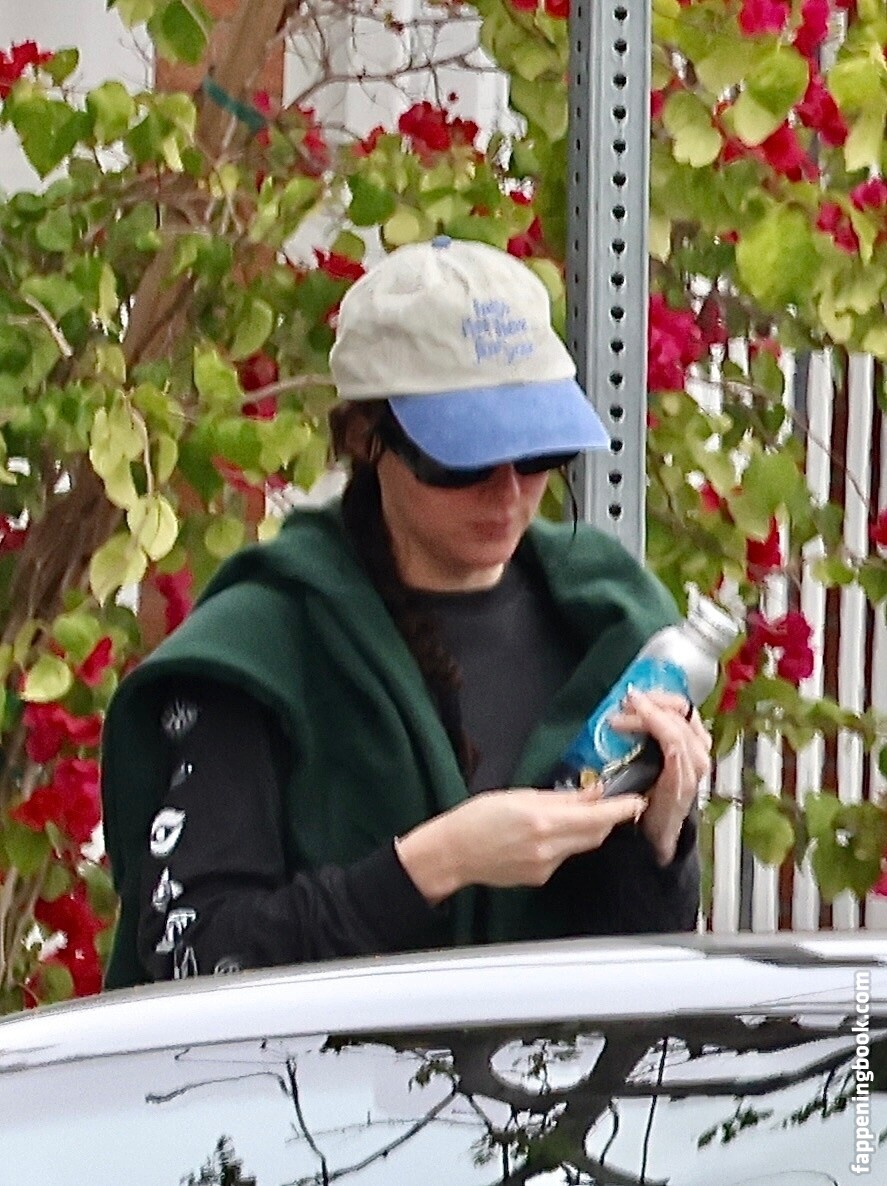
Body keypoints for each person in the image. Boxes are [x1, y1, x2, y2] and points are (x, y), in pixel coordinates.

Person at [100, 236, 709, 989]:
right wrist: (435, 863)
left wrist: (661, 845)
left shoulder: (612, 627)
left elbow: (636, 969)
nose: (507, 491)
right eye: (462, 458)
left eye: (538, 452)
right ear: (365, 439)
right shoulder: (260, 648)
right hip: (317, 1068)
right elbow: (194, 952)